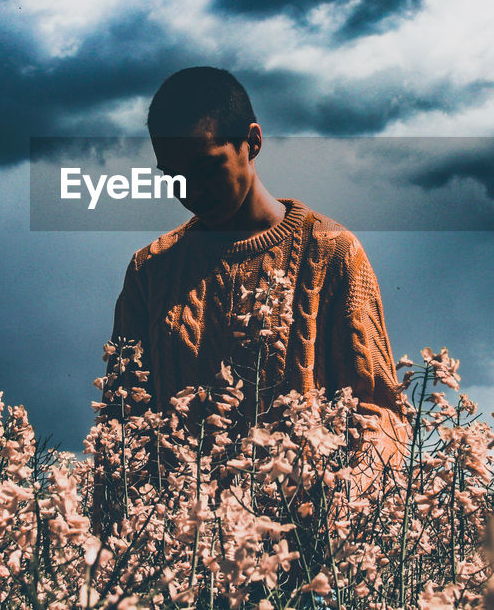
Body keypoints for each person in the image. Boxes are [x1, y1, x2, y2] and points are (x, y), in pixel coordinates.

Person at [93, 66, 409, 525]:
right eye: (173, 176)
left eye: (206, 168)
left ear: (253, 142)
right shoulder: (150, 271)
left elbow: (381, 412)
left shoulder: (332, 253)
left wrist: (334, 510)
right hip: (182, 557)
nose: (191, 191)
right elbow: (120, 428)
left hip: (303, 555)